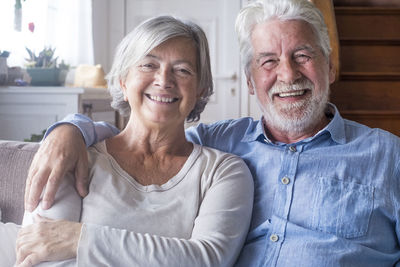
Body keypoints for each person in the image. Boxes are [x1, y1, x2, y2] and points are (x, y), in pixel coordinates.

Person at [23, 0, 400, 266]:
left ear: (330, 67)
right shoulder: (221, 144)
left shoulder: (387, 156)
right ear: (251, 82)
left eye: (303, 56)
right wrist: (71, 130)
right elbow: (149, 138)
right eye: (268, 61)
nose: (288, 74)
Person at [2, 15, 254, 267]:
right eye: (148, 65)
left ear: (200, 89)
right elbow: (40, 256)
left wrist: (81, 238)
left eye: (182, 70)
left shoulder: (223, 172)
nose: (164, 80)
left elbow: (206, 260)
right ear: (123, 81)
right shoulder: (73, 154)